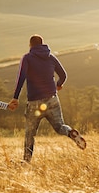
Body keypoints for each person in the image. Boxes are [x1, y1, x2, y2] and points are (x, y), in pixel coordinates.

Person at [9, 34, 86, 162]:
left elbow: (21, 77)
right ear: (42, 44)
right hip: (52, 99)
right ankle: (71, 133)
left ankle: (26, 161)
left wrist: (15, 97)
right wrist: (58, 85)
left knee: (30, 134)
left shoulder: (27, 58)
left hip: (35, 102)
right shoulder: (51, 57)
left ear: (30, 45)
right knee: (60, 126)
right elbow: (63, 75)